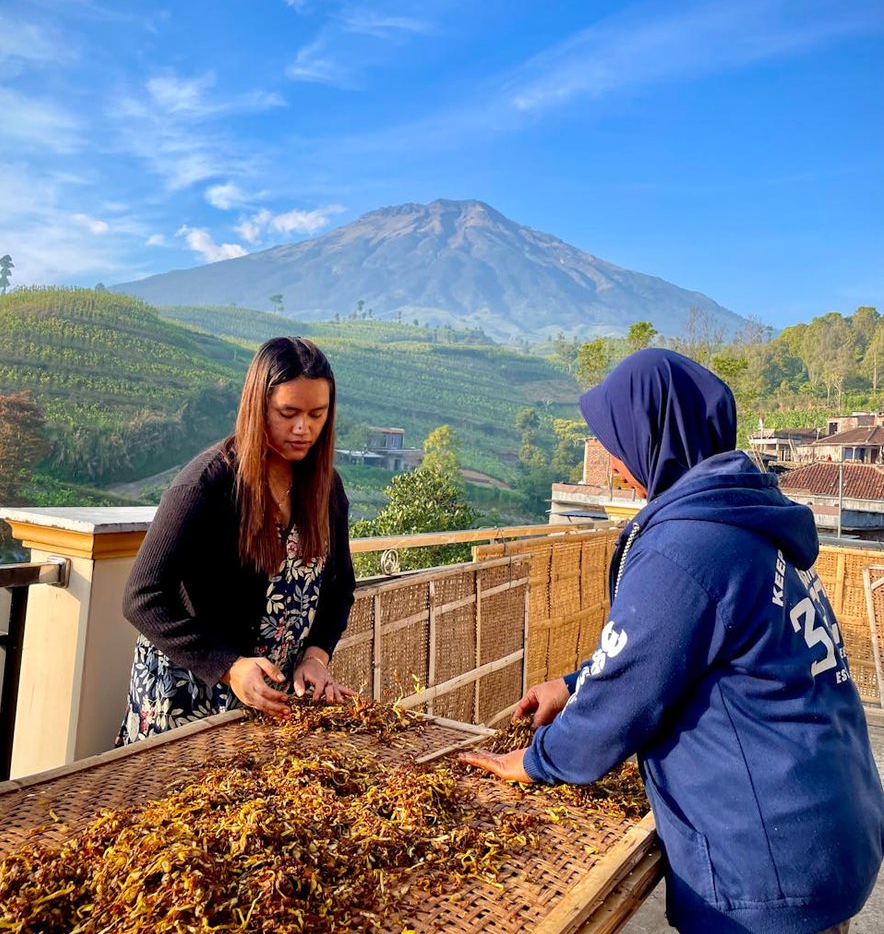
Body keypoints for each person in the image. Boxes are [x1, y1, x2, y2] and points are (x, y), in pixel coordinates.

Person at [461, 348, 884, 934]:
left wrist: (538, 761)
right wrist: (572, 683)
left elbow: (629, 693)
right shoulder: (743, 517)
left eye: (616, 439)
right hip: (820, 824)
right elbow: (672, 648)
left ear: (654, 435)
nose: (611, 458)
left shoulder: (688, 544)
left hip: (765, 861)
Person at [118, 336, 356, 743]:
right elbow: (142, 596)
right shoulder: (205, 485)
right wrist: (228, 667)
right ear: (258, 408)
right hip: (185, 695)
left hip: (264, 697)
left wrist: (316, 656)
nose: (304, 428)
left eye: (317, 414)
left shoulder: (325, 489)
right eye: (288, 413)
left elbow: (339, 588)